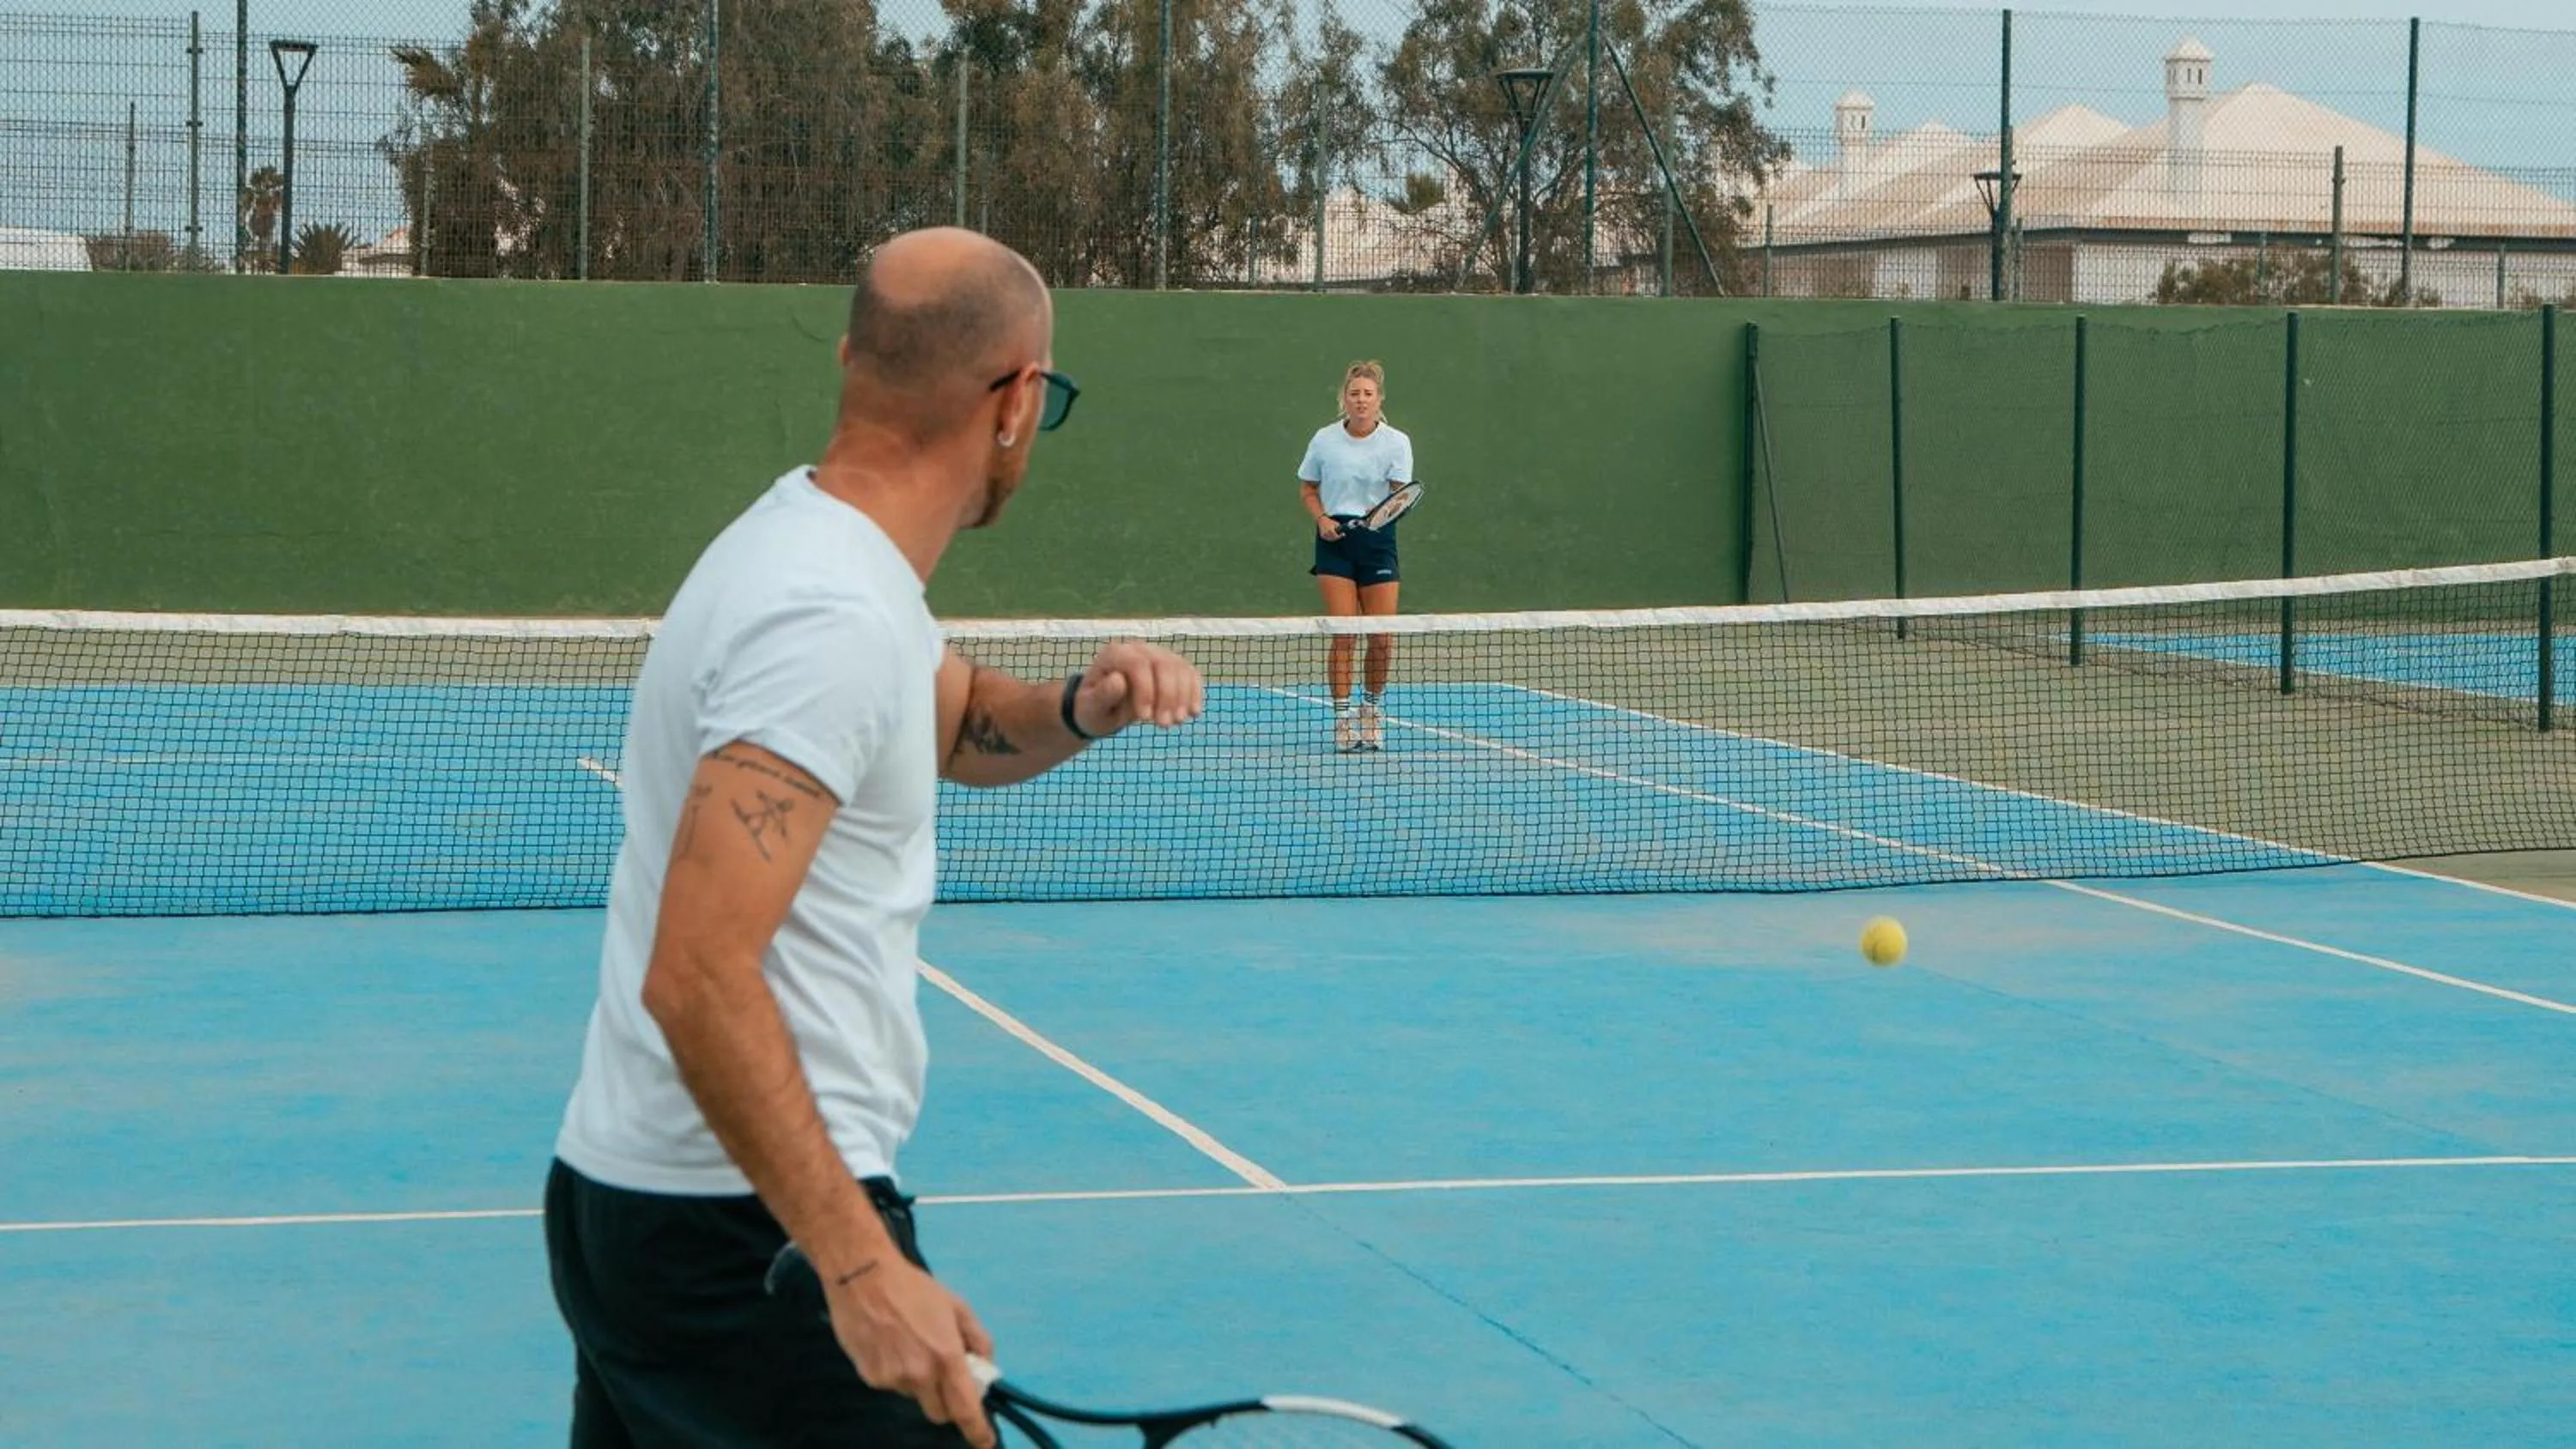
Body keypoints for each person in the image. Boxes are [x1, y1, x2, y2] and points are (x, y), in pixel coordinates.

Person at [545, 227, 1205, 1449]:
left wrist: (1080, 707)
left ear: (855, 362)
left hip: (642, 1205)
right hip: (748, 1236)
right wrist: (855, 1270)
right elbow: (695, 973)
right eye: (1043, 397)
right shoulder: (830, 614)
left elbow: (948, 716)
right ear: (1013, 404)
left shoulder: (819, 558)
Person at [1297, 361, 1413, 752]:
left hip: (1378, 543)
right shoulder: (1324, 439)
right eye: (1354, 394)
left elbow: (1400, 498)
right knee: (1343, 634)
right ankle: (1343, 720)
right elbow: (1308, 489)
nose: (1360, 400)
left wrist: (1376, 520)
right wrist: (1322, 518)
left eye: (1367, 394)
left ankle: (1372, 712)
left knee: (1382, 639)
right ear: (1343, 399)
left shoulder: (1397, 442)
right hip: (1334, 543)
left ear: (1379, 399)